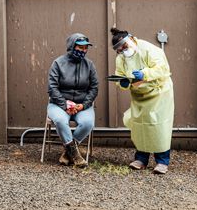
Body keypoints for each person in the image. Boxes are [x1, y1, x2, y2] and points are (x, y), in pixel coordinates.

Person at [110, 27, 174, 174]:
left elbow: (162, 68)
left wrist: (144, 74)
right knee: (140, 126)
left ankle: (162, 161)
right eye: (120, 50)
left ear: (132, 39)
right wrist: (122, 83)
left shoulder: (149, 49)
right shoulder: (121, 58)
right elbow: (119, 75)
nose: (123, 51)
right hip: (139, 95)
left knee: (159, 126)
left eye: (124, 47)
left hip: (159, 93)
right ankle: (141, 159)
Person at [47, 33, 98, 167]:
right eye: (80, 48)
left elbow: (94, 88)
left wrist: (84, 105)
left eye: (86, 48)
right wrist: (64, 104)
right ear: (71, 46)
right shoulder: (58, 63)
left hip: (81, 105)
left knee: (88, 123)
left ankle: (68, 151)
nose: (83, 51)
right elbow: (52, 88)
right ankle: (75, 154)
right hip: (59, 104)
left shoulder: (89, 65)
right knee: (60, 120)